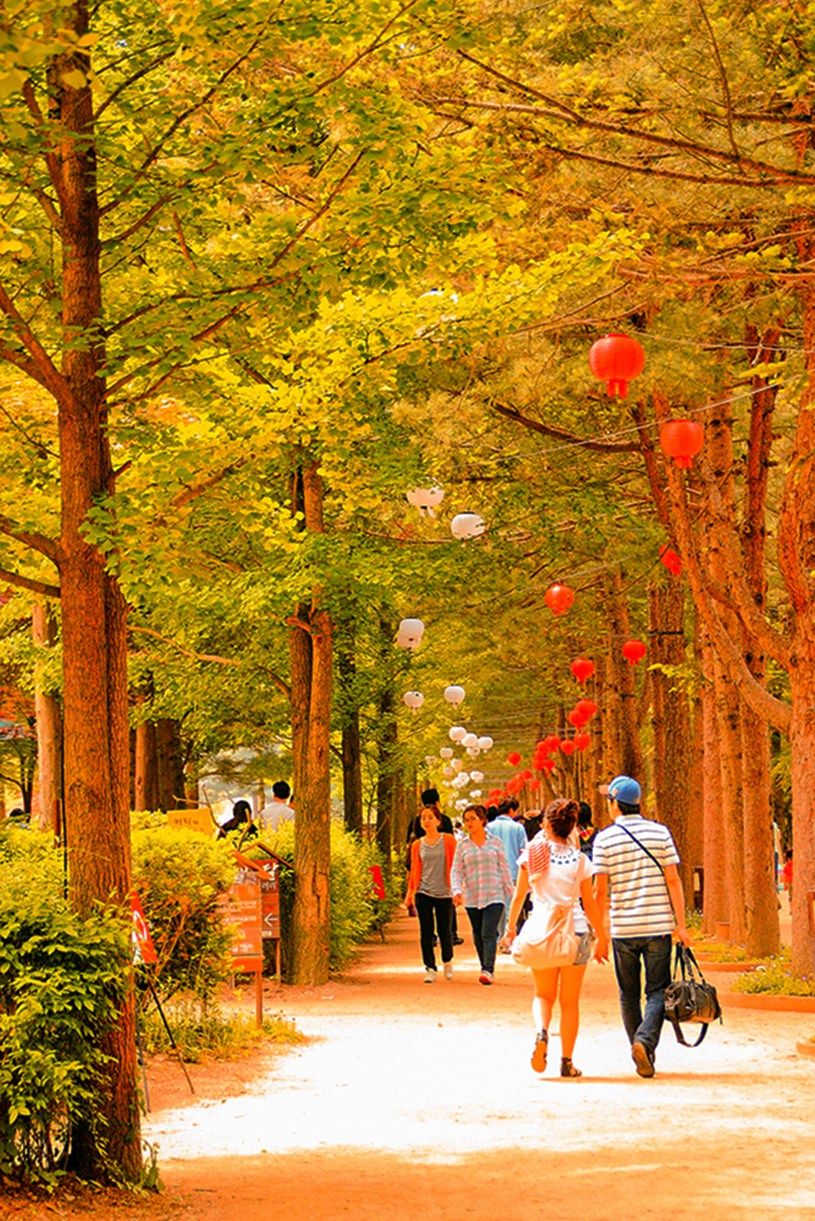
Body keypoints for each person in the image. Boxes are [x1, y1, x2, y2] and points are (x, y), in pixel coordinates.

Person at [501, 797, 608, 1077]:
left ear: (546, 824)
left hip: (541, 930)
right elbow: (589, 903)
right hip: (576, 932)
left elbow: (519, 895)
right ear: (572, 826)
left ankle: (541, 1032)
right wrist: (603, 938)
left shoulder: (533, 855)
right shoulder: (581, 860)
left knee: (543, 994)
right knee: (570, 1002)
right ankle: (567, 1061)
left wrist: (511, 929)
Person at [592, 775, 690, 1079]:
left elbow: (598, 891)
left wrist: (601, 933)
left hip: (623, 929)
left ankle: (640, 1045)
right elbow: (673, 879)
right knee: (658, 991)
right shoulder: (660, 833)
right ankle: (644, 1045)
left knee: (628, 995)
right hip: (658, 924)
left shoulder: (604, 839)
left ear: (614, 803)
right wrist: (681, 925)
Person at [451, 805, 513, 985]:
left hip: (494, 894)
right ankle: (484, 966)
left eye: (472, 818)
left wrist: (511, 892)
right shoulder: (462, 846)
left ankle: (488, 969)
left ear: (482, 820)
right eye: (466, 820)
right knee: (477, 934)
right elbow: (456, 870)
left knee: (488, 932)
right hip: (472, 895)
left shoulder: (495, 843)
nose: (469, 823)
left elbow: (504, 868)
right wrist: (457, 890)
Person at [405, 807, 457, 983]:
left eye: (430, 817)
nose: (426, 821)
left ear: (438, 821)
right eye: (423, 818)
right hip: (423, 892)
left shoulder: (449, 841)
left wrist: (458, 889)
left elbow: (457, 866)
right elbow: (414, 870)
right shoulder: (417, 845)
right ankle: (430, 967)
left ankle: (447, 961)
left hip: (445, 892)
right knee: (426, 932)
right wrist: (411, 892)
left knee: (445, 931)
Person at [488, 800, 527, 942]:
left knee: (498, 906)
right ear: (511, 810)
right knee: (512, 905)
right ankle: (509, 937)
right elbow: (523, 850)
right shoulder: (518, 828)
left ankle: (500, 938)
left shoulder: (489, 827)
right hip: (514, 872)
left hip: (494, 872)